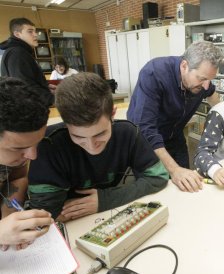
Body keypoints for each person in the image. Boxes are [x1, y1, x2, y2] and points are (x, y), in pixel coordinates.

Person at [28, 73, 169, 222]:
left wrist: (106, 199)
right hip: (70, 227)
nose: (92, 146)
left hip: (105, 216)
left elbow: (158, 177)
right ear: (65, 122)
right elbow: (45, 216)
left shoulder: (128, 133)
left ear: (112, 114)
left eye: (100, 134)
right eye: (79, 137)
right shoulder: (49, 145)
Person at [127, 41, 224, 193]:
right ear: (184, 66)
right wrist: (174, 170)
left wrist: (223, 117)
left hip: (174, 135)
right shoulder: (154, 73)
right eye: (202, 79)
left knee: (187, 184)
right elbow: (145, 129)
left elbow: (212, 95)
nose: (206, 86)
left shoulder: (202, 81)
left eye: (210, 79)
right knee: (156, 189)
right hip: (145, 141)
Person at [0, 77, 54, 251]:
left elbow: (18, 177)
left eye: (36, 143)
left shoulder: (16, 155)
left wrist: (10, 215)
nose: (32, 155)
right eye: (19, 148)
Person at [0, 18, 55, 107]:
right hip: (26, 111)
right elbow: (24, 85)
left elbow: (25, 79)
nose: (36, 35)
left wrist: (45, 86)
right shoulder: (18, 53)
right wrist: (53, 99)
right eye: (30, 31)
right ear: (17, 34)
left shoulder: (16, 51)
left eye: (35, 31)